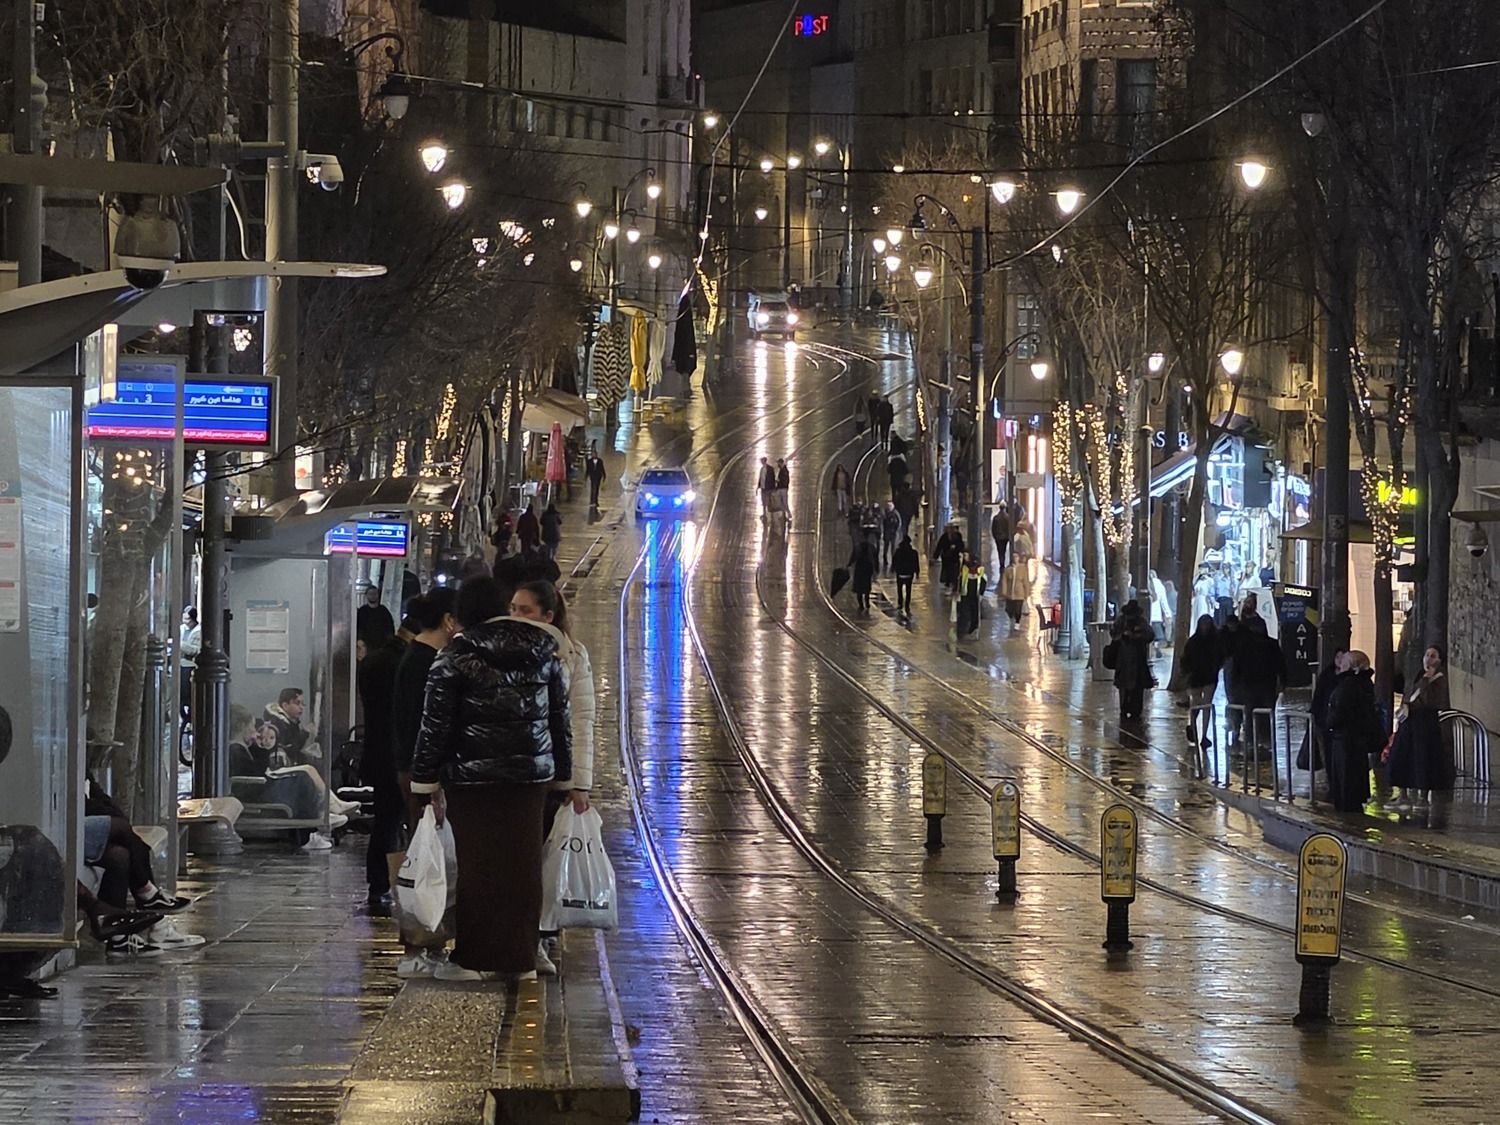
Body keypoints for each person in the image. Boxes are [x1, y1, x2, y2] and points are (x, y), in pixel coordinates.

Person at [411, 575, 571, 983]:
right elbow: (560, 718)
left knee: (479, 866)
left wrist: (424, 780)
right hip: (531, 778)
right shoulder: (543, 650)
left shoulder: (454, 656)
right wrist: (564, 777)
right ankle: (521, 960)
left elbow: (435, 725)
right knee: (523, 865)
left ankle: (475, 959)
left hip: (473, 779)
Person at [509, 580, 594, 975]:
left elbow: (582, 720)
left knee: (545, 859)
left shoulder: (572, 656)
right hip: (511, 773)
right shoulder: (501, 649)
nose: (516, 616)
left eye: (525, 610)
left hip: (551, 777)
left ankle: (540, 937)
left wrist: (579, 783)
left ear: (548, 616)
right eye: (513, 608)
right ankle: (516, 938)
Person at [390, 589, 460, 979]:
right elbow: (424, 727)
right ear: (449, 621)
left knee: (429, 858)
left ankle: (427, 942)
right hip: (419, 775)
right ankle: (417, 944)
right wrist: (430, 782)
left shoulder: (415, 656)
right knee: (424, 860)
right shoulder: (426, 663)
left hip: (413, 770)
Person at [357, 612, 411, 915]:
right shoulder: (406, 663)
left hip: (376, 753)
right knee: (397, 822)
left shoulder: (373, 662)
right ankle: (397, 882)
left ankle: (378, 884)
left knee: (385, 822)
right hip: (399, 756)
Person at [1386, 644, 1454, 815]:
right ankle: (1403, 795)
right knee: (1401, 755)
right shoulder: (1418, 674)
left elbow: (1430, 700)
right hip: (1410, 721)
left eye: (1433, 656)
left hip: (1425, 723)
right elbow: (1409, 694)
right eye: (1427, 655)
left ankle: (1422, 797)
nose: (1428, 659)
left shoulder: (1439, 679)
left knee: (1423, 758)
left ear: (1439, 660)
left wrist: (1426, 680)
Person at [1326, 651, 1378, 813]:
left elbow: (1340, 711)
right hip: (1356, 738)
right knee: (1354, 776)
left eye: (1345, 661)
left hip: (1345, 738)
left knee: (1345, 778)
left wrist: (1329, 722)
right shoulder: (1364, 683)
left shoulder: (1348, 685)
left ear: (1351, 665)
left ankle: (1347, 810)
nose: (1341, 663)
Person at [1235, 615, 1285, 753]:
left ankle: (1255, 742)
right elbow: (1281, 665)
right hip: (1262, 685)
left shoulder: (1244, 645)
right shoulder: (1270, 644)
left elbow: (1237, 667)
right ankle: (1262, 741)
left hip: (1254, 685)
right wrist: (1282, 682)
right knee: (1262, 714)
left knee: (1253, 714)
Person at [1111, 600, 1156, 723]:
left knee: (1136, 688)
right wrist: (1123, 636)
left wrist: (1137, 635)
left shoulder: (1141, 622)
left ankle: (1134, 710)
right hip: (1124, 660)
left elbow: (1150, 635)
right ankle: (1125, 708)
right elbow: (1114, 634)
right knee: (1125, 687)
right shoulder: (1121, 621)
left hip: (1137, 660)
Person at [1181, 615, 1220, 749]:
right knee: (1203, 705)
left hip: (1199, 676)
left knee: (1199, 705)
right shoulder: (1215, 641)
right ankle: (1200, 733)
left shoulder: (1193, 641)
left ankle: (1197, 730)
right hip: (1205, 676)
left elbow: (1185, 660)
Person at [1001, 520, 1035, 625]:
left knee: (1022, 575)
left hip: (1023, 559)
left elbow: (1027, 547)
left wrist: (1026, 592)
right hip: (1022, 559)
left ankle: (1017, 620)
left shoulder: (1023, 536)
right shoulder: (1020, 536)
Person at [956, 553, 987, 638]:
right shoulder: (964, 568)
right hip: (965, 594)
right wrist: (958, 591)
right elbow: (960, 579)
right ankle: (963, 630)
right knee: (964, 613)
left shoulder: (980, 570)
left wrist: (981, 593)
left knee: (974, 613)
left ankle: (973, 628)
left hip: (975, 595)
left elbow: (983, 582)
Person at [849, 532, 878, 614]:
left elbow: (853, 557)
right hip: (867, 569)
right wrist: (876, 569)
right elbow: (875, 559)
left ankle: (861, 604)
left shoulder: (857, 547)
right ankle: (866, 603)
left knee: (859, 588)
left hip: (860, 569)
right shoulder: (871, 547)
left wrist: (849, 564)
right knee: (866, 587)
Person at [179, 607, 200, 714]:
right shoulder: (181, 629)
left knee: (188, 693)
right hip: (179, 664)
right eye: (184, 619)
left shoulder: (199, 631)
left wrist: (181, 645)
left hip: (190, 665)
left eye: (187, 619)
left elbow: (197, 650)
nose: (185, 622)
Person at [933, 525, 965, 595]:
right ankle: (949, 585)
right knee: (949, 571)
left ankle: (952, 586)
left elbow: (961, 545)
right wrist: (936, 555)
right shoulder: (945, 536)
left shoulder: (957, 536)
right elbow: (940, 546)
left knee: (954, 572)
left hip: (953, 558)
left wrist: (957, 548)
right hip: (947, 558)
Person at [892, 535, 919, 618]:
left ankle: (900, 603)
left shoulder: (898, 551)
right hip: (909, 574)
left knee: (899, 589)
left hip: (900, 573)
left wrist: (894, 569)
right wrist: (917, 573)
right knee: (908, 590)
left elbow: (894, 561)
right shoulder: (914, 552)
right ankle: (907, 605)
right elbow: (916, 564)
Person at [880, 501, 900, 572]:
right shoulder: (884, 513)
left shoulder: (895, 513)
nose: (889, 507)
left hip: (893, 533)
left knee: (893, 548)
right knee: (886, 547)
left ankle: (893, 561)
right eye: (888, 506)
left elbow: (899, 523)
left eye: (890, 506)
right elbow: (882, 523)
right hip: (887, 533)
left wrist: (896, 531)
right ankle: (885, 560)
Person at [990, 507, 1011, 573]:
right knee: (1003, 550)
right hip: (1005, 538)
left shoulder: (996, 518)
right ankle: (1002, 562)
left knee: (999, 551)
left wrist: (995, 536)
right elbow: (1009, 528)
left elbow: (993, 529)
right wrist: (1008, 536)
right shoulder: (1008, 517)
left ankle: (1001, 563)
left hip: (998, 537)